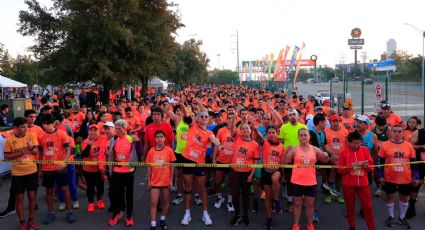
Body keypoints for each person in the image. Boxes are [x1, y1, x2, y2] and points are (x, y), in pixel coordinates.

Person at [180, 100, 223, 226]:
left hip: (199, 162)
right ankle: (187, 213)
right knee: (188, 188)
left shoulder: (209, 132)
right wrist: (182, 104)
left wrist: (219, 145)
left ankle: (205, 213)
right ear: (197, 119)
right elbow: (187, 114)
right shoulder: (192, 125)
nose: (204, 118)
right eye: (201, 116)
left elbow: (214, 139)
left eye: (206, 116)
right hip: (187, 160)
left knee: (201, 188)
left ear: (208, 119)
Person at [285, 128, 329, 230]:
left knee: (310, 205)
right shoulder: (295, 149)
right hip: (297, 181)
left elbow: (325, 160)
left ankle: (310, 224)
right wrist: (287, 152)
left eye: (305, 135)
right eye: (301, 135)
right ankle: (296, 224)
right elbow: (286, 161)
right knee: (297, 204)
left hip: (311, 181)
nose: (303, 137)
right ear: (298, 137)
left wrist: (325, 155)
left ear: (309, 137)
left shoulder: (314, 149)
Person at [378, 124, 418, 229]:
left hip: (405, 177)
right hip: (389, 177)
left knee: (404, 197)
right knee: (390, 196)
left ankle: (402, 217)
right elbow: (379, 162)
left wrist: (416, 177)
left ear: (402, 133)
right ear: (390, 133)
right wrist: (381, 175)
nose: (396, 133)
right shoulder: (385, 145)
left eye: (399, 131)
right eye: (394, 131)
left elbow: (414, 162)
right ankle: (391, 216)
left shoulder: (409, 145)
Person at [38, 114, 76, 225]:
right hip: (47, 169)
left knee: (65, 189)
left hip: (60, 168)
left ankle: (69, 211)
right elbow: (40, 154)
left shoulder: (61, 134)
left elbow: (68, 150)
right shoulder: (41, 137)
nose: (46, 126)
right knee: (49, 191)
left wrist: (64, 162)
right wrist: (40, 169)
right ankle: (50, 213)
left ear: (53, 123)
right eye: (44, 124)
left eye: (48, 124)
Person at [4, 117, 40, 230]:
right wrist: (21, 152)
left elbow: (36, 152)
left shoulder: (31, 136)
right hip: (17, 173)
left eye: (26, 126)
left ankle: (31, 220)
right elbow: (6, 157)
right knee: (19, 198)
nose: (25, 128)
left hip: (32, 171)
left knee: (32, 196)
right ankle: (22, 222)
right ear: (15, 128)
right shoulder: (9, 140)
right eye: (22, 126)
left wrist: (32, 149)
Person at [337, 131, 376, 230]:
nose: (357, 145)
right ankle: (352, 227)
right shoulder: (343, 152)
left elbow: (372, 167)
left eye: (359, 143)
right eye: (354, 143)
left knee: (368, 207)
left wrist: (366, 166)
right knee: (350, 208)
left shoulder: (365, 150)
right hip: (348, 184)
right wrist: (351, 167)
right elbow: (339, 169)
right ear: (349, 142)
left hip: (363, 183)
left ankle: (371, 227)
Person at [252, 125, 285, 229]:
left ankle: (277, 201)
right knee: (267, 197)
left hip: (277, 170)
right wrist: (255, 129)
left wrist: (283, 175)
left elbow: (283, 162)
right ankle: (269, 218)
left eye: (273, 132)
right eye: (269, 133)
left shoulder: (282, 147)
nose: (271, 134)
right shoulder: (265, 143)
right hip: (266, 171)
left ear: (277, 133)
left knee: (275, 179)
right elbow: (260, 136)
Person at [108, 119, 139, 226]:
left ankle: (129, 215)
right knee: (114, 193)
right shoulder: (114, 140)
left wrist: (137, 142)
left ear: (125, 128)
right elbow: (111, 153)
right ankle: (118, 212)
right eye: (116, 129)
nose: (117, 131)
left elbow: (139, 152)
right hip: (117, 170)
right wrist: (108, 153)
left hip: (128, 171)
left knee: (129, 195)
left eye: (119, 128)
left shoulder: (131, 139)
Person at [228, 122, 260, 226]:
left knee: (246, 195)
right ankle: (237, 214)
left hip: (247, 173)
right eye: (243, 129)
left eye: (247, 128)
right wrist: (234, 118)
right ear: (240, 131)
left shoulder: (255, 144)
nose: (245, 130)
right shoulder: (237, 138)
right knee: (235, 194)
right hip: (234, 171)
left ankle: (245, 215)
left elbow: (255, 162)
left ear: (250, 130)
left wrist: (251, 175)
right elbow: (232, 129)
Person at [146, 130, 176, 230]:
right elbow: (149, 167)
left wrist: (171, 180)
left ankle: (162, 219)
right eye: (157, 137)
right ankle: (153, 224)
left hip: (166, 180)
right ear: (155, 139)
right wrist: (149, 181)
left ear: (164, 138)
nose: (159, 139)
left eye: (161, 137)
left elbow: (172, 167)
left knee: (166, 201)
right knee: (153, 202)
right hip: (155, 181)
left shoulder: (169, 151)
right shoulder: (151, 151)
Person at [212, 111, 236, 212]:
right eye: (229, 118)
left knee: (230, 183)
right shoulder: (221, 130)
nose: (230, 120)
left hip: (233, 161)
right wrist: (214, 159)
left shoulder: (237, 131)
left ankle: (230, 201)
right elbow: (217, 145)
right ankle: (219, 197)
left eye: (233, 118)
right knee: (217, 181)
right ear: (226, 120)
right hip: (221, 160)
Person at [80, 124, 106, 212]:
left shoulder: (102, 139)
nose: (93, 132)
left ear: (99, 132)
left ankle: (100, 200)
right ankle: (90, 203)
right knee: (90, 187)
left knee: (100, 186)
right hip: (88, 169)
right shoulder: (85, 142)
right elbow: (83, 155)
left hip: (100, 168)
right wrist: (89, 145)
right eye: (91, 130)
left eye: (95, 130)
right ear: (88, 132)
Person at [324, 114, 347, 204]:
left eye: (337, 121)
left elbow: (347, 145)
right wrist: (332, 154)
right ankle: (329, 195)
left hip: (341, 158)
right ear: (330, 122)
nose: (336, 123)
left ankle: (337, 195)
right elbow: (325, 145)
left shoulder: (345, 131)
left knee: (339, 178)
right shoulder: (326, 131)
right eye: (334, 121)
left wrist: (341, 156)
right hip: (330, 157)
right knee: (328, 176)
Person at [408, 123, 425, 219]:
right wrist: (421, 147)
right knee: (415, 185)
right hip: (420, 163)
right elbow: (410, 146)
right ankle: (411, 208)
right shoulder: (418, 132)